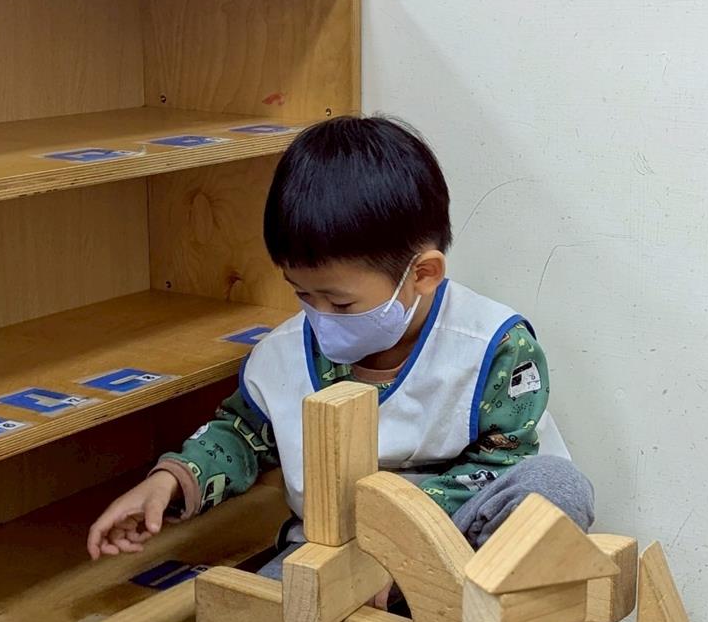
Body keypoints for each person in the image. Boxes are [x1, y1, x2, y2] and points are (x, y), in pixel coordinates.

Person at [86, 116, 595, 580]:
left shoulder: (493, 347)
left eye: (340, 302)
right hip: (330, 556)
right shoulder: (283, 355)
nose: (320, 315)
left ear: (422, 274)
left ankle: (468, 618)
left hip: (456, 553)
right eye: (303, 295)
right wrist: (170, 481)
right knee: (258, 615)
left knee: (555, 485)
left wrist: (399, 547)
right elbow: (241, 435)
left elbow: (505, 462)